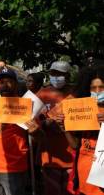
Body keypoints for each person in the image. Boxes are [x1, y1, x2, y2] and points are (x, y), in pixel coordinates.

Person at [0, 67, 39, 195]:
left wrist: (35, 131)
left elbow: (39, 138)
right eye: (2, 82)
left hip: (14, 170)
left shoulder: (25, 106)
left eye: (9, 81)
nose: (5, 85)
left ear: (15, 84)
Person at [56, 66, 104, 195]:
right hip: (83, 184)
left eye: (101, 87)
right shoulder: (85, 111)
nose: (97, 91)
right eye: (93, 88)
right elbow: (76, 145)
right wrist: (65, 128)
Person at [36, 61, 74, 195]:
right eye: (53, 73)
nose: (55, 77)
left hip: (73, 159)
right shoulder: (42, 94)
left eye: (59, 74)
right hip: (50, 158)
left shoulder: (76, 93)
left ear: (68, 76)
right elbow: (34, 121)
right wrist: (47, 123)